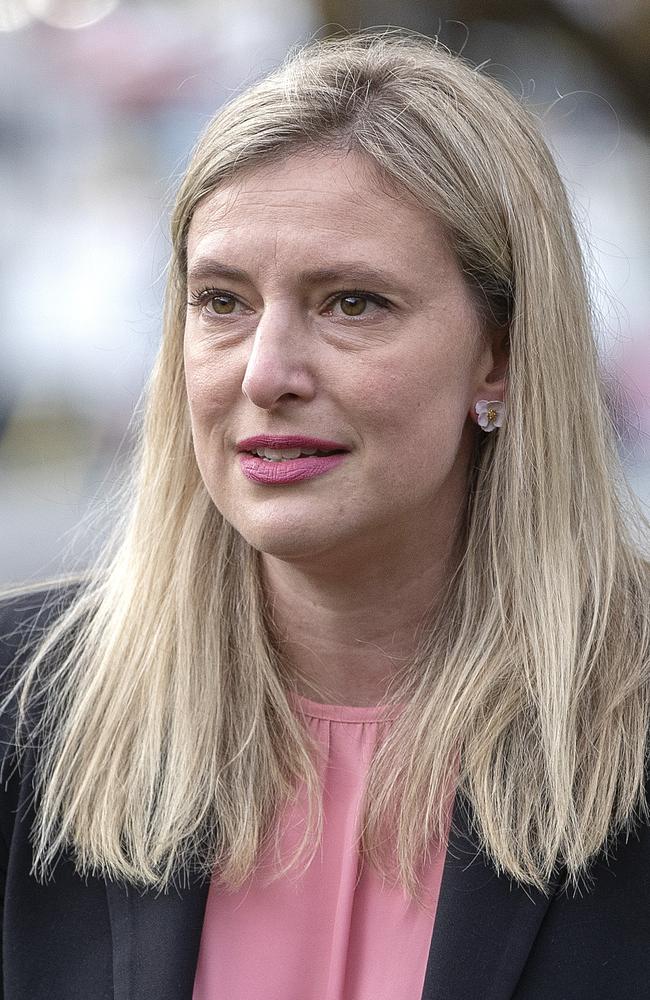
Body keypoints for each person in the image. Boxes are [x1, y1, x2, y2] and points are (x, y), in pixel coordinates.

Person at [1, 30, 649, 1000]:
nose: (265, 374)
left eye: (351, 303)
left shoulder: (627, 722)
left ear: (499, 356)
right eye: (221, 301)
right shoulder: (23, 710)